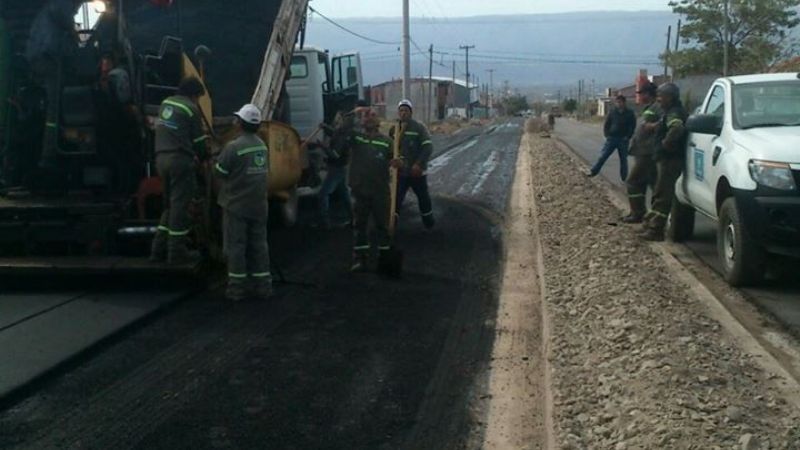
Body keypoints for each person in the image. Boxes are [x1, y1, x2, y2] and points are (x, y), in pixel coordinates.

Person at [214, 104, 272, 301]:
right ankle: (263, 286)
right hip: (259, 205)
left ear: (240, 123)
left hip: (236, 205)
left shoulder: (233, 147)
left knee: (236, 247)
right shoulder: (262, 146)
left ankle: (237, 288)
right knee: (259, 245)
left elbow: (220, 172)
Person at [149, 77, 208, 264]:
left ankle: (158, 249)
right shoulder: (191, 109)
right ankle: (176, 252)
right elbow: (199, 143)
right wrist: (205, 157)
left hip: (161, 160)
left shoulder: (165, 104)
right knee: (180, 207)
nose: (198, 101)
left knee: (169, 206)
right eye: (198, 97)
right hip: (179, 161)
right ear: (194, 94)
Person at [25, 0, 83, 171]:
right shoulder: (61, 5)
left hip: (41, 56)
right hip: (48, 58)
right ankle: (49, 153)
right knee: (55, 105)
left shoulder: (47, 12)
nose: (76, 10)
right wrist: (74, 35)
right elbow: (63, 18)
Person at [349, 108, 401, 272]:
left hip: (380, 191)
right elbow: (342, 130)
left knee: (382, 226)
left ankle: (384, 260)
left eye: (373, 115)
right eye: (366, 116)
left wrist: (398, 162)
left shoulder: (387, 142)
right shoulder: (356, 138)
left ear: (379, 121)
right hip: (360, 190)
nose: (369, 118)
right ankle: (360, 259)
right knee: (360, 225)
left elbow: (398, 159)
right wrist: (353, 113)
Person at [640, 82, 688, 241]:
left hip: (670, 160)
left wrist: (666, 143)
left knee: (663, 195)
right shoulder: (668, 112)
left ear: (670, 97)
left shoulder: (674, 113)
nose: (658, 99)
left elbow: (677, 128)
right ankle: (650, 224)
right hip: (664, 159)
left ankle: (656, 230)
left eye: (661, 96)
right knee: (658, 193)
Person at [317, 101, 367, 229]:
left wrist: (323, 147)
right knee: (344, 194)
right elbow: (335, 133)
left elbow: (335, 154)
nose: (338, 121)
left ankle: (324, 221)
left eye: (340, 119)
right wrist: (325, 127)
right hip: (341, 166)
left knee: (323, 193)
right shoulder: (344, 132)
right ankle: (353, 218)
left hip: (337, 167)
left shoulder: (345, 135)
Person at [390, 99, 435, 229]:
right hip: (401, 172)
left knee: (423, 198)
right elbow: (391, 148)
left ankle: (429, 223)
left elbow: (427, 147)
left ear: (411, 112)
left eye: (406, 110)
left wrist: (419, 164)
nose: (403, 113)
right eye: (401, 110)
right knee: (396, 199)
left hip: (416, 173)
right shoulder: (394, 129)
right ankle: (392, 225)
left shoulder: (419, 128)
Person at [622, 82, 661, 223]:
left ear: (648, 94)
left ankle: (638, 213)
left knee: (633, 182)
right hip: (642, 152)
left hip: (648, 153)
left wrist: (652, 126)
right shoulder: (649, 108)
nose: (639, 97)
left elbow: (663, 123)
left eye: (641, 94)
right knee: (646, 184)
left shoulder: (657, 107)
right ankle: (643, 213)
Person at [589, 95, 636, 181]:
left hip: (623, 139)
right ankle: (593, 171)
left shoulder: (630, 113)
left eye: (620, 102)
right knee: (603, 156)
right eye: (617, 102)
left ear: (624, 103)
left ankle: (624, 178)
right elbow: (607, 124)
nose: (618, 104)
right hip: (612, 138)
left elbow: (633, 126)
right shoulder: (612, 112)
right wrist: (607, 135)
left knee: (623, 160)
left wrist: (628, 136)